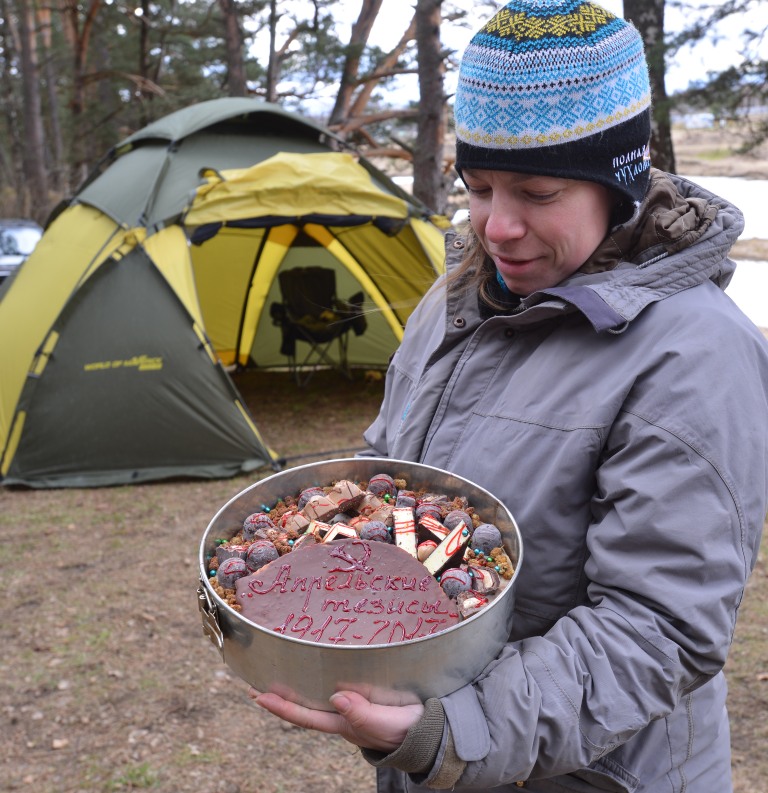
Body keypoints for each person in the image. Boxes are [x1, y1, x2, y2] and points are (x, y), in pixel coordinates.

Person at [252, 1, 768, 790]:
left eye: (536, 191)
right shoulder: (454, 303)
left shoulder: (697, 355)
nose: (497, 226)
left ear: (618, 185)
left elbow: (659, 629)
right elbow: (393, 488)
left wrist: (451, 731)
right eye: (481, 186)